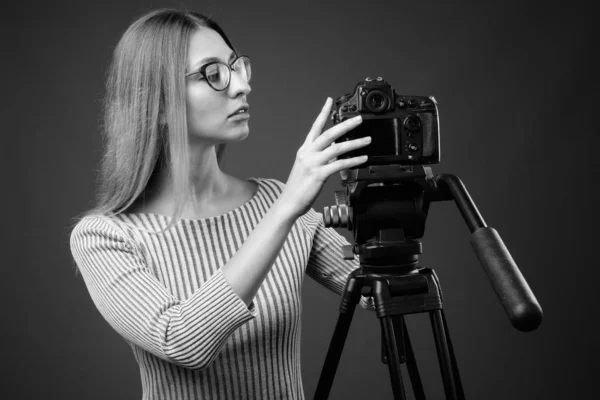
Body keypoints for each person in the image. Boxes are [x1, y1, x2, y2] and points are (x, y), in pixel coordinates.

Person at [70, 8, 373, 400]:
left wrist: (387, 189)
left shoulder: (274, 200)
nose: (241, 86)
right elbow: (183, 341)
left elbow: (376, 289)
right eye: (213, 74)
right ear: (159, 105)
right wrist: (284, 209)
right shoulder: (105, 237)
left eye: (237, 66)